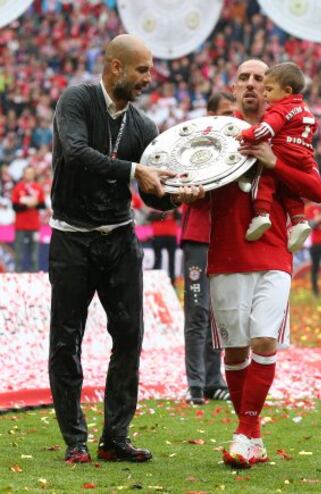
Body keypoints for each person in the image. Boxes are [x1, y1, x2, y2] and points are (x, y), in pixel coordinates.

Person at [49, 34, 203, 465]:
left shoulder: (143, 126)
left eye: (149, 71)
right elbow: (76, 153)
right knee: (66, 340)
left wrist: (176, 197)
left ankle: (114, 437)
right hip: (71, 237)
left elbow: (152, 196)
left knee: (130, 335)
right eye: (142, 70)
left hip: (119, 239)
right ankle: (75, 440)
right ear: (115, 67)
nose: (148, 79)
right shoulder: (76, 100)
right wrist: (137, 169)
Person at [208, 59, 321, 468]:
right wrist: (181, 195)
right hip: (224, 255)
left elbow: (317, 189)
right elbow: (191, 184)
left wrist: (274, 162)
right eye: (245, 78)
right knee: (235, 352)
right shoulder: (220, 134)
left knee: (263, 341)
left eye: (261, 79)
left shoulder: (289, 136)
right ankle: (250, 436)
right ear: (235, 88)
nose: (254, 85)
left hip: (275, 253)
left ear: (275, 88)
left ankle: (246, 433)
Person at [181, 92, 235, 405]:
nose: (232, 116)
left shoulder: (236, 145)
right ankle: (196, 385)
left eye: (235, 112)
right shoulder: (193, 147)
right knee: (198, 311)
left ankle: (214, 381)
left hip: (224, 238)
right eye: (226, 111)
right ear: (210, 113)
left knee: (219, 315)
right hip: (199, 237)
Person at [238, 62, 317, 252]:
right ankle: (299, 221)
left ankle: (261, 214)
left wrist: (246, 134)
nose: (265, 94)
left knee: (265, 178)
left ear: (287, 91)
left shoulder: (281, 108)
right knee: (289, 188)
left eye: (269, 89)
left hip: (284, 150)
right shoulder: (304, 108)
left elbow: (267, 129)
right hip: (304, 154)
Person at [11, 165, 45, 272]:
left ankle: (34, 272)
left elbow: (42, 205)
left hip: (34, 226)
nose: (29, 175)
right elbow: (15, 207)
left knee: (34, 251)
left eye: (31, 173)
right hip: (20, 226)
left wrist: (30, 203)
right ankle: (17, 271)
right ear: (23, 174)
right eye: (27, 173)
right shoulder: (18, 188)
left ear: (34, 174)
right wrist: (28, 204)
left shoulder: (38, 188)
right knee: (19, 251)